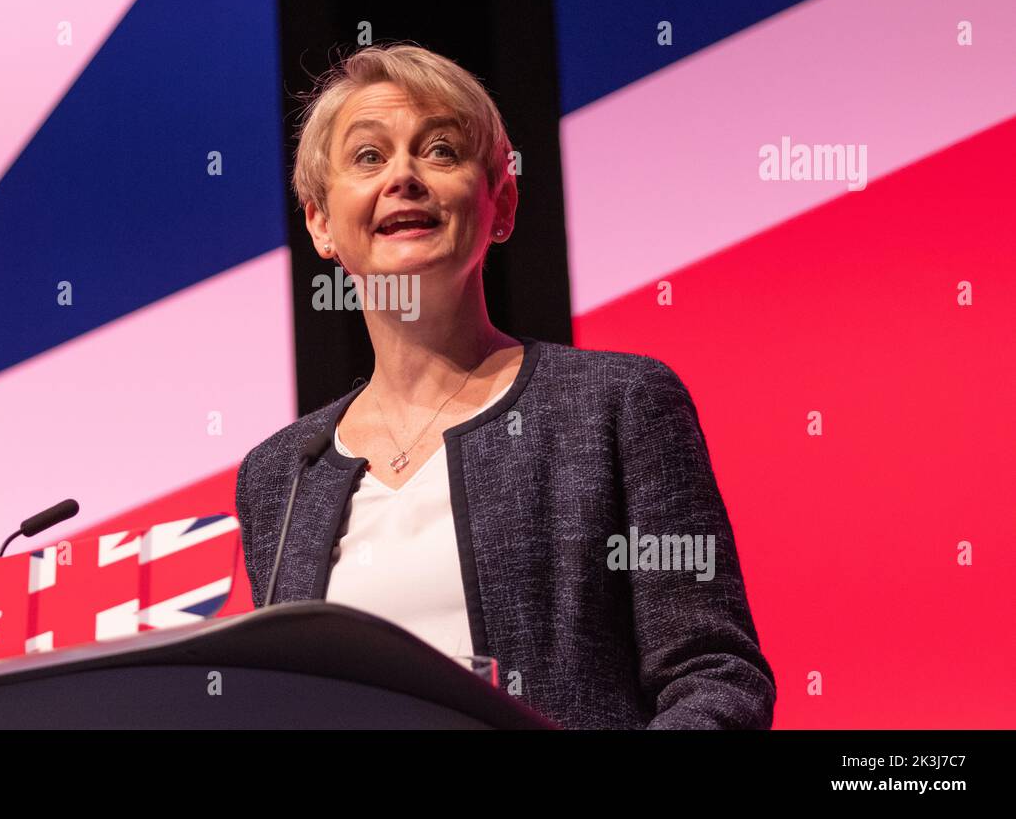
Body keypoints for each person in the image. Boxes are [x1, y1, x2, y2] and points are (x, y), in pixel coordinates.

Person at [233, 42, 775, 729]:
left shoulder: (614, 407)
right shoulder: (281, 476)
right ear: (320, 223)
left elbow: (715, 679)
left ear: (503, 203)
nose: (404, 175)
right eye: (369, 157)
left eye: (440, 151)